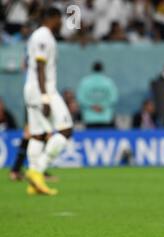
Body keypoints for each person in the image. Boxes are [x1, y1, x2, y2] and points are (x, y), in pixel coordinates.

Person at [24, 7, 74, 196]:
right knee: (65, 129)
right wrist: (45, 97)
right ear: (52, 18)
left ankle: (34, 185)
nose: (61, 23)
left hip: (33, 88)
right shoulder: (43, 36)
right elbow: (40, 67)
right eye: (59, 19)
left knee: (38, 134)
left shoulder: (39, 35)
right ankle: (37, 172)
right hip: (43, 90)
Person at [76, 62, 119, 128]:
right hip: (106, 117)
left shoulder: (85, 82)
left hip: (89, 118)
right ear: (103, 69)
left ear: (92, 69)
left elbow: (80, 98)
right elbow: (113, 98)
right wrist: (102, 106)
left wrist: (92, 106)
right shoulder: (109, 82)